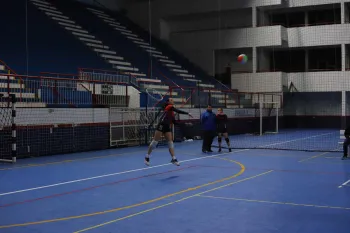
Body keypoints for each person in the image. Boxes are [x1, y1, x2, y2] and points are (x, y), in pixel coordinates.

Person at [145, 98, 193, 166]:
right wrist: (187, 113)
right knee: (154, 143)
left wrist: (185, 124)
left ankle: (174, 159)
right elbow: (178, 111)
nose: (173, 101)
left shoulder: (172, 112)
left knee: (170, 143)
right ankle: (147, 157)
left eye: (173, 100)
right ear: (168, 102)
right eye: (171, 100)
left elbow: (174, 122)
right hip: (161, 125)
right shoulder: (169, 106)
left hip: (167, 127)